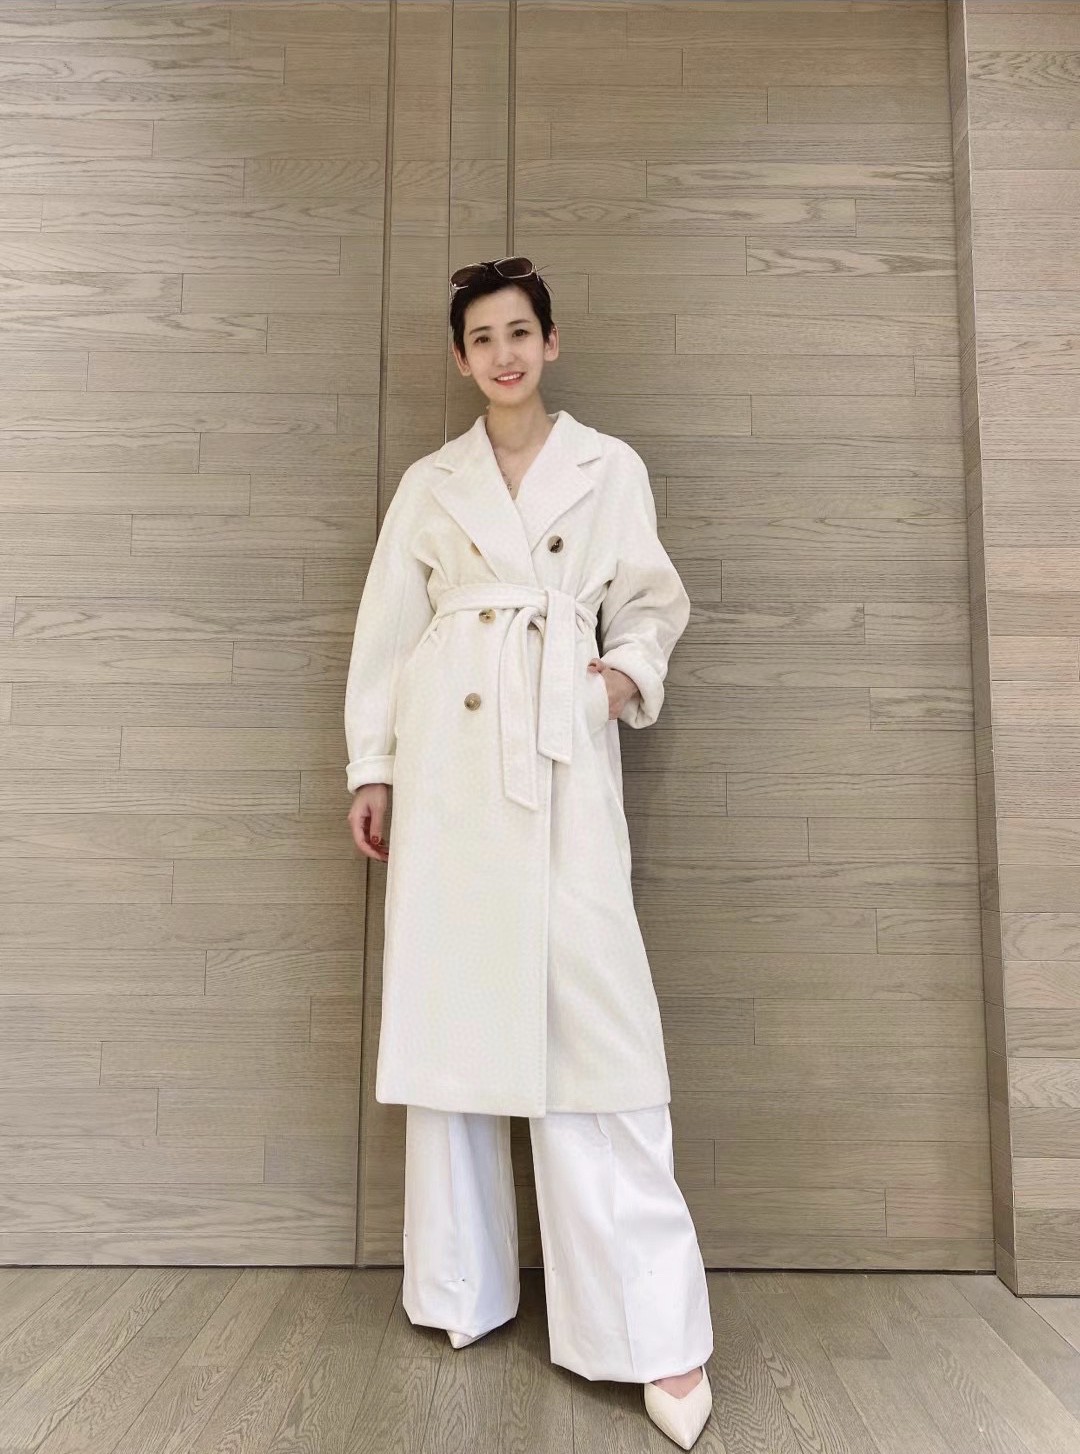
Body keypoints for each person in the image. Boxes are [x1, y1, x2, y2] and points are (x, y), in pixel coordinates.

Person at [344, 257, 714, 1448]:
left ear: (551, 341)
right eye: (481, 338)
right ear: (460, 359)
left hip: (558, 746)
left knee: (594, 1017)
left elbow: (652, 603)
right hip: (450, 766)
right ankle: (463, 1285)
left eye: (519, 332)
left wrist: (617, 680)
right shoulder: (431, 481)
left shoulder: (610, 466)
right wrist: (373, 764)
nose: (502, 354)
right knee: (458, 1009)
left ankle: (648, 1324)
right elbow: (387, 632)